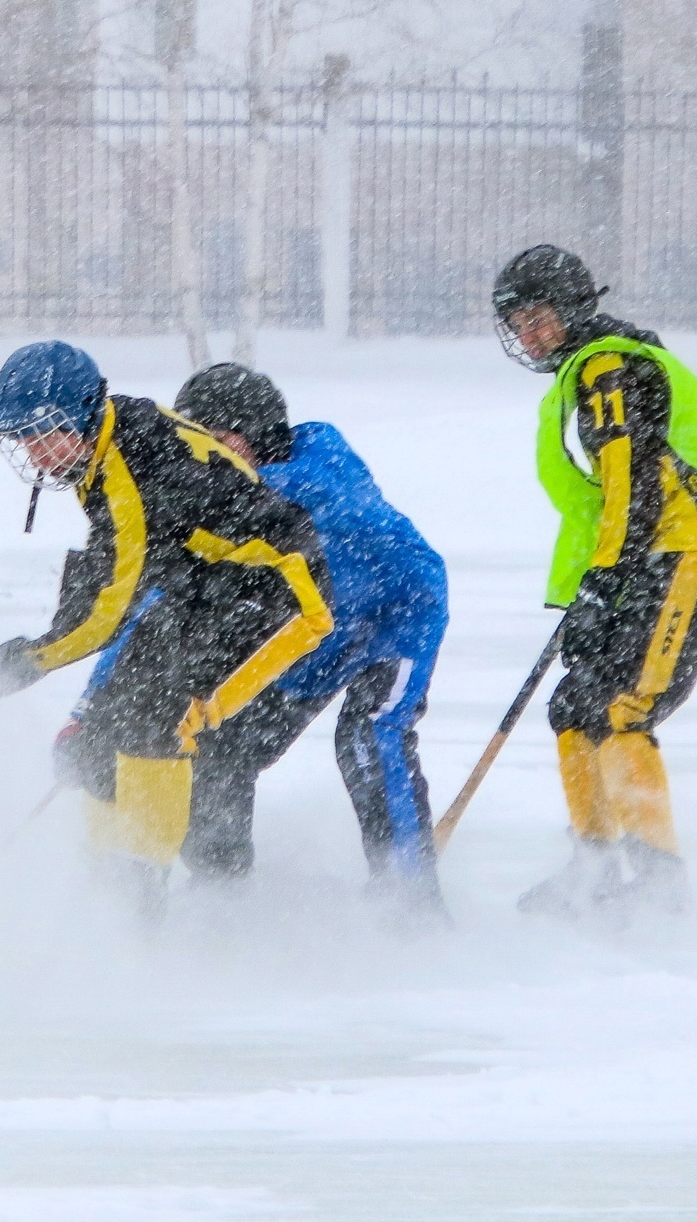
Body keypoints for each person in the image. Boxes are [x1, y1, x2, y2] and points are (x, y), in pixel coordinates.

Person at [0, 342, 334, 909]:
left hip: (281, 602)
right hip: (208, 592)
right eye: (22, 437)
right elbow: (110, 581)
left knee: (165, 723)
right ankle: (107, 888)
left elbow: (100, 618)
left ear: (86, 410)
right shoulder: (111, 441)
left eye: (47, 430)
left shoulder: (129, 476)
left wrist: (6, 669)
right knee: (102, 729)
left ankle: (152, 898)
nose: (37, 451)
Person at [54, 363, 448, 907]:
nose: (209, 452)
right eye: (198, 439)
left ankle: (411, 900)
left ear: (259, 431)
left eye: (222, 439)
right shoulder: (217, 499)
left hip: (392, 621)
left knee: (368, 739)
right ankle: (224, 891)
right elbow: (156, 605)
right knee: (210, 745)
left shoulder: (312, 474)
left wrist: (199, 494)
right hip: (299, 640)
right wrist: (92, 708)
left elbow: (303, 495)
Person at [493, 245, 697, 919]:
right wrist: (600, 582)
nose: (531, 335)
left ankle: (657, 876)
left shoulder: (609, 369)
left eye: (540, 319)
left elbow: (633, 483)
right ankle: (592, 860)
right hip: (650, 556)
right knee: (575, 704)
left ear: (575, 308)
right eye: (519, 324)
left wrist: (606, 579)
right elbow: (602, 501)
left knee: (623, 706)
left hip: (694, 550)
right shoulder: (584, 368)